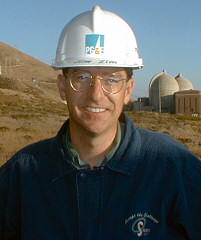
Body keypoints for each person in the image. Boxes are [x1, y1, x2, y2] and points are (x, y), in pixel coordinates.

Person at [0, 5, 201, 239]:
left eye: (112, 79)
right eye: (82, 77)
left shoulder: (173, 168)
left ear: (128, 91)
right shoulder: (22, 175)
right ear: (62, 87)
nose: (96, 94)